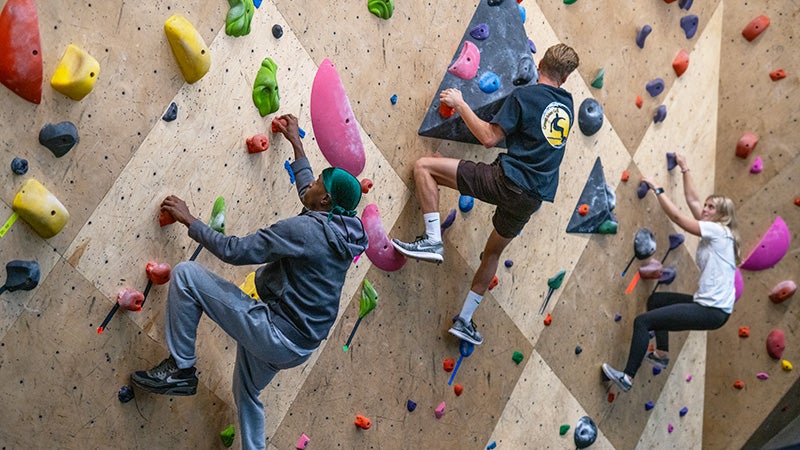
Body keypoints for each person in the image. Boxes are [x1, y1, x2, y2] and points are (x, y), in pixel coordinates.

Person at [130, 114, 368, 450]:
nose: (310, 184)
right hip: (299, 347)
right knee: (248, 392)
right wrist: (297, 145)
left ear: (325, 200)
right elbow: (308, 194)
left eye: (317, 183)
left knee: (186, 276)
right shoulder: (343, 229)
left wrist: (190, 220)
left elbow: (234, 250)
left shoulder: (307, 230)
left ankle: (181, 369)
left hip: (277, 333)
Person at [391, 44, 580, 345]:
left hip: (507, 181)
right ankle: (465, 320)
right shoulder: (567, 106)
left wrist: (461, 103)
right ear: (567, 78)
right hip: (531, 198)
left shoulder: (524, 96)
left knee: (424, 167)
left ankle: (431, 240)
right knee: (493, 252)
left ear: (540, 60)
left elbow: (489, 138)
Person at [602, 153, 740, 392]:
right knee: (656, 300)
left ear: (722, 216)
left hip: (711, 310)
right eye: (707, 206)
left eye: (711, 208)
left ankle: (627, 378)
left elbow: (678, 217)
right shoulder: (718, 231)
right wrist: (685, 168)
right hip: (712, 308)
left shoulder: (719, 232)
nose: (705, 209)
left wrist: (658, 190)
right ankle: (661, 354)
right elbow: (693, 201)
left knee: (642, 322)